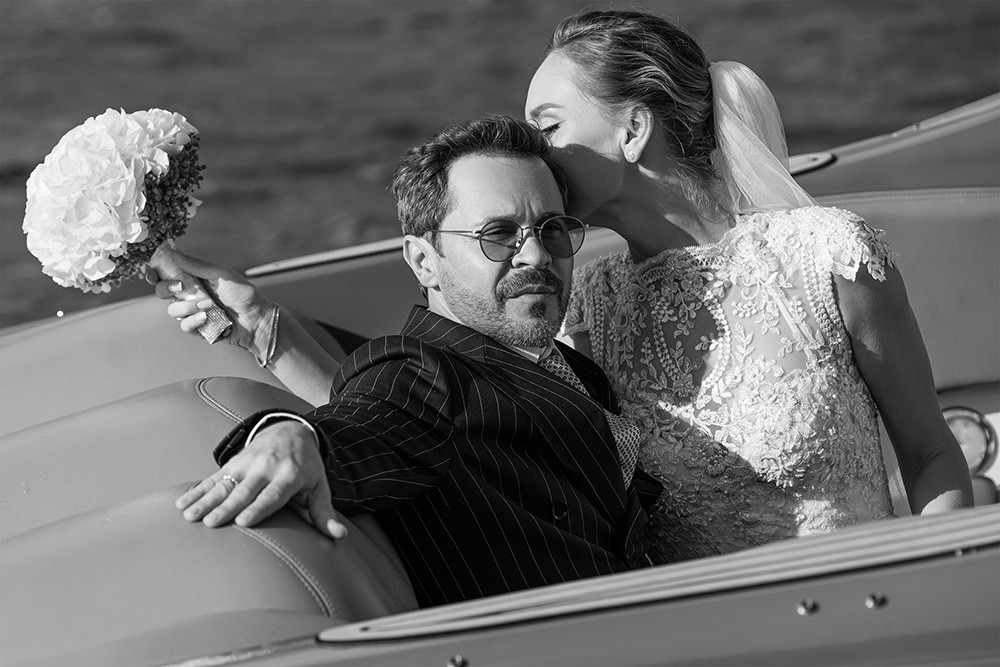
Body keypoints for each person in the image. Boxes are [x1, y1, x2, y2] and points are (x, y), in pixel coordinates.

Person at [522, 9, 973, 562]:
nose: (533, 156)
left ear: (633, 130)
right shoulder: (590, 305)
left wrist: (935, 578)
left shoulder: (827, 257)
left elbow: (930, 454)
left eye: (548, 129)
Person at [168, 115, 658, 608]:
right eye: (498, 234)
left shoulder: (569, 366)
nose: (536, 255)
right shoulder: (419, 375)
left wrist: (263, 329)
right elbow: (372, 416)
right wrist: (292, 437)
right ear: (424, 261)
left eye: (552, 229)